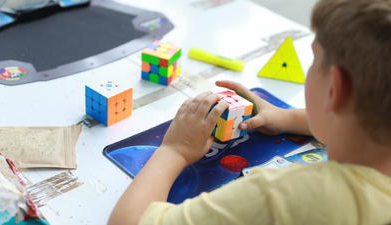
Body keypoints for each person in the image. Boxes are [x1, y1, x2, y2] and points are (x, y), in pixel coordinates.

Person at [108, 0, 391, 224]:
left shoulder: (285, 197)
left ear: (335, 91)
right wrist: (285, 117)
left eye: (314, 59)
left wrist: (174, 151)